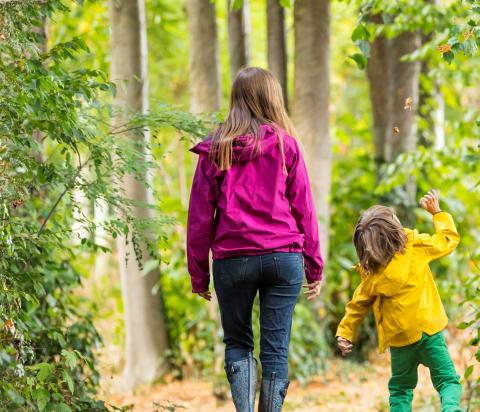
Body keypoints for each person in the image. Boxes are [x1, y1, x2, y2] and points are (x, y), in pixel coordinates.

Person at [186, 67, 323, 412]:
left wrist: (199, 273)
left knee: (238, 342)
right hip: (283, 257)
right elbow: (304, 208)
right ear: (271, 99)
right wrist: (313, 266)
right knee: (275, 350)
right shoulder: (285, 145)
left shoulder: (218, 149)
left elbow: (200, 218)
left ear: (237, 101)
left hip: (233, 260)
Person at [336, 189, 463, 412]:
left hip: (399, 340)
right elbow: (448, 240)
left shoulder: (371, 274)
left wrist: (345, 332)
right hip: (428, 331)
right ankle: (451, 410)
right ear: (395, 230)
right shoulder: (414, 247)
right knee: (447, 381)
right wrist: (437, 213)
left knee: (401, 390)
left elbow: (358, 304)